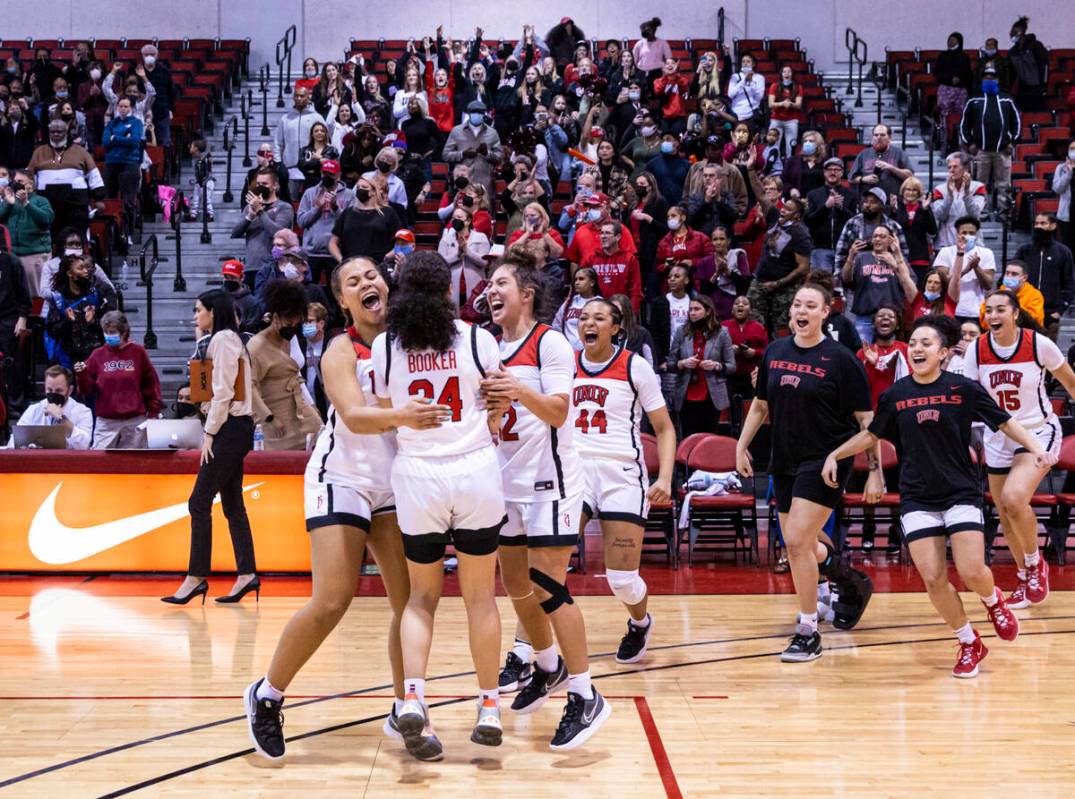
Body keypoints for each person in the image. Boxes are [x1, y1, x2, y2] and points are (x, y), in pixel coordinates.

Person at [244, 257, 445, 761]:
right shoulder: (341, 349)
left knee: (412, 603)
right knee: (333, 599)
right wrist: (405, 415)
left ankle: (407, 708)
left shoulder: (413, 342)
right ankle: (267, 694)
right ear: (342, 301)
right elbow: (354, 416)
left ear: (388, 283)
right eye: (353, 282)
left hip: (397, 483)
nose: (366, 284)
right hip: (343, 478)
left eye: (371, 276)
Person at [823, 315, 1032, 678]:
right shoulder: (895, 395)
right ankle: (969, 641)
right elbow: (871, 435)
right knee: (934, 579)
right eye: (914, 343)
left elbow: (1003, 420)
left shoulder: (962, 389)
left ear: (944, 353)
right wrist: (835, 454)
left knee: (971, 571)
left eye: (926, 343)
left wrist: (1035, 448)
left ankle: (993, 600)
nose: (918, 349)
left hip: (961, 492)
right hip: (918, 497)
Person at [370, 252, 506, 762]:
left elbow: (383, 412)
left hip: (418, 475)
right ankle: (489, 707)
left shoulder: (385, 347)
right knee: (480, 599)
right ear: (449, 291)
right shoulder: (477, 338)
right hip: (473, 471)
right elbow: (499, 399)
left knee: (420, 598)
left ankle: (414, 697)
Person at [477, 258, 611, 749]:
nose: (492, 292)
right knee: (515, 583)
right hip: (504, 480)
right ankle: (548, 664)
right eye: (490, 285)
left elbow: (558, 412)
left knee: (547, 583)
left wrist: (516, 391)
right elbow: (491, 414)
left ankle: (584, 692)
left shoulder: (549, 342)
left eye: (501, 283)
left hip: (550, 482)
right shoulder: (487, 347)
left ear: (527, 292)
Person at [736, 282, 879, 661]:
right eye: (797, 304)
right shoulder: (775, 351)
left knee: (797, 542)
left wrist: (875, 471)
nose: (802, 310)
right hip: (784, 458)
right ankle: (850, 582)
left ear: (825, 313)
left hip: (827, 458)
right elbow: (760, 405)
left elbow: (869, 422)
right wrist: (741, 444)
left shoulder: (842, 359)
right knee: (803, 543)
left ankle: (807, 630)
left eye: (811, 305)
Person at [573, 296, 675, 663]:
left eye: (599, 317)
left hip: (622, 474)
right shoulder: (564, 365)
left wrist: (664, 476)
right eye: (584, 317)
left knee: (621, 580)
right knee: (547, 563)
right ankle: (529, 651)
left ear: (616, 327)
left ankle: (640, 622)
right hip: (577, 472)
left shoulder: (635, 366)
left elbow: (664, 428)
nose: (590, 323)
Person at [965, 289, 1075, 611]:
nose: (993, 316)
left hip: (1037, 429)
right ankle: (1025, 579)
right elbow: (969, 396)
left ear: (1015, 313)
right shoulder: (977, 349)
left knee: (1015, 499)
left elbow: (1070, 383)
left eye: (1001, 309)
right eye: (989, 311)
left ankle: (1035, 564)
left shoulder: (1039, 344)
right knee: (1005, 512)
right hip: (998, 434)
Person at [164, 290, 257, 605]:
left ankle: (196, 577)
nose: (195, 316)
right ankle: (247, 575)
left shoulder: (223, 340)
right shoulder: (224, 339)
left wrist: (209, 433)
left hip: (229, 428)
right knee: (232, 505)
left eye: (198, 310)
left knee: (198, 502)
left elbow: (223, 393)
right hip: (236, 427)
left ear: (213, 312)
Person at [248, 281, 324, 451]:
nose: (293, 328)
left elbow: (296, 377)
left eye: (297, 325)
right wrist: (269, 419)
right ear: (275, 318)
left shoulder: (288, 339)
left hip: (303, 414)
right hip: (275, 421)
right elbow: (249, 387)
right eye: (289, 324)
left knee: (323, 445)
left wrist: (311, 405)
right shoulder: (256, 347)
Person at [74, 311, 161, 449]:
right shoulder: (98, 354)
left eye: (112, 332)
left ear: (124, 331)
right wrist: (81, 375)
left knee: (134, 465)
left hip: (134, 420)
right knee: (100, 464)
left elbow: (150, 384)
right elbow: (87, 390)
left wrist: (153, 411)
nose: (109, 335)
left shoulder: (138, 352)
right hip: (106, 422)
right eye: (106, 332)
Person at [667, 294, 736, 438]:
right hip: (686, 394)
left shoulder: (722, 333)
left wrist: (716, 365)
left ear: (708, 311)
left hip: (711, 396)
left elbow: (731, 366)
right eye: (690, 309)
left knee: (709, 438)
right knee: (688, 437)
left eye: (697, 309)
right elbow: (670, 363)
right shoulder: (682, 332)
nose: (692, 312)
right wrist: (682, 363)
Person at [27, 119, 105, 238]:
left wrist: (99, 198)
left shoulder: (81, 151)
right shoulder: (39, 152)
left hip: (75, 204)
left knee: (75, 235)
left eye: (59, 131)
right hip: (47, 203)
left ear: (66, 132)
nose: (56, 134)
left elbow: (94, 175)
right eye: (52, 132)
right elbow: (29, 176)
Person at [747, 196, 813, 336]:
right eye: (783, 207)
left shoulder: (801, 235)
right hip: (760, 282)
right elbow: (759, 194)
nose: (782, 211)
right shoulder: (774, 219)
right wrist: (751, 172)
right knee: (754, 325)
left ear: (796, 215)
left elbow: (803, 268)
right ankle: (758, 354)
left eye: (788, 209)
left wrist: (778, 283)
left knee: (781, 329)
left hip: (784, 288)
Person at [841, 224, 917, 344]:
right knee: (863, 354)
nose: (877, 239)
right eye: (875, 236)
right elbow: (846, 280)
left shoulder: (898, 259)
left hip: (890, 317)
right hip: (865, 317)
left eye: (882, 236)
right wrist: (850, 258)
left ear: (890, 240)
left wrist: (895, 265)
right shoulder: (861, 257)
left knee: (888, 354)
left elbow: (909, 284)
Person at [960, 63, 1020, 203]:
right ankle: (981, 212)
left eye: (992, 77)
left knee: (1004, 184)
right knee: (979, 184)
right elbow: (964, 125)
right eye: (986, 78)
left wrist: (1013, 142)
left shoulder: (1007, 100)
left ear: (998, 80)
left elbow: (1017, 122)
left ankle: (1003, 213)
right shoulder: (973, 100)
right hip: (981, 151)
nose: (989, 80)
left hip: (1003, 151)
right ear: (981, 80)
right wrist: (969, 143)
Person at [44, 254, 118, 370]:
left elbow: (113, 325)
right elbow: (52, 331)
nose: (86, 271)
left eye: (86, 267)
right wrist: (67, 321)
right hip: (67, 357)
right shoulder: (59, 298)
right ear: (70, 274)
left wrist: (94, 321)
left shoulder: (101, 291)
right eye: (81, 268)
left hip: (96, 355)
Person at [1014, 212, 1074, 340]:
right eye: (1036, 223)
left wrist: (1060, 310)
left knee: (1048, 356)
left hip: (1050, 313)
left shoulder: (1063, 252)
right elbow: (1011, 276)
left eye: (1043, 223)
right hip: (1025, 311)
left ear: (1053, 226)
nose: (1038, 227)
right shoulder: (1024, 251)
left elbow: (1069, 283)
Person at [231, 170, 295, 289]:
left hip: (274, 267)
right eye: (258, 184)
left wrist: (260, 211)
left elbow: (277, 232)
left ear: (275, 185)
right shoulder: (250, 207)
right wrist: (249, 216)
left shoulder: (284, 207)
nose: (260, 187)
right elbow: (235, 233)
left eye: (265, 184)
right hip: (251, 266)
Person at [298, 159, 354, 286]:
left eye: (331, 174)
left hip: (335, 253)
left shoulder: (349, 195)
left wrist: (335, 207)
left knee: (335, 293)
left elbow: (350, 225)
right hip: (312, 252)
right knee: (310, 292)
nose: (327, 177)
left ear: (338, 176)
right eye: (324, 174)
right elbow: (301, 222)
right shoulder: (310, 193)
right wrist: (318, 208)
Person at [0, 168, 53, 298]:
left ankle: (37, 319)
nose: (16, 184)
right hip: (12, 256)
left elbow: (45, 220)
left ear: (31, 184)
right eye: (14, 181)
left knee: (35, 295)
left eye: (20, 181)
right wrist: (9, 203)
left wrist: (26, 203)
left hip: (34, 255)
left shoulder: (41, 201)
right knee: (14, 295)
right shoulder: (9, 201)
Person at [9, 365, 92, 449]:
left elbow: (84, 445)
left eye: (58, 390)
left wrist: (62, 419)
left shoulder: (83, 412)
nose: (53, 394)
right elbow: (14, 442)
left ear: (70, 390)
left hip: (67, 461)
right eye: (49, 390)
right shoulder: (34, 410)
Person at [442, 100, 503, 212]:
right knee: (461, 214)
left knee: (483, 216)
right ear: (469, 113)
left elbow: (500, 158)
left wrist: (487, 153)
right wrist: (462, 154)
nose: (477, 115)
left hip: (484, 184)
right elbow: (446, 155)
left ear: (484, 114)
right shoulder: (457, 131)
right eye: (474, 112)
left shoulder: (492, 133)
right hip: (462, 183)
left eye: (479, 112)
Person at [328, 177, 403, 266]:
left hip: (378, 266)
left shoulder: (388, 213)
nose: (360, 189)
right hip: (351, 265)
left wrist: (385, 258)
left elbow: (402, 242)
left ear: (373, 191)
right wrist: (342, 261)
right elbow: (332, 242)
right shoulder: (347, 212)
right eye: (358, 187)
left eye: (364, 187)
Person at [935, 215, 996, 324]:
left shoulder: (987, 253)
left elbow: (988, 285)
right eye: (964, 233)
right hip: (950, 309)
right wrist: (966, 270)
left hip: (976, 310)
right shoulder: (945, 252)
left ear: (976, 235)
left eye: (971, 233)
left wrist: (976, 267)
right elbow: (943, 283)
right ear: (957, 234)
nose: (967, 236)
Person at [833, 187, 910, 271]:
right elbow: (840, 252)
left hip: (886, 274)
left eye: (872, 202)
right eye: (865, 201)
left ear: (882, 205)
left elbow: (903, 253)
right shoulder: (852, 223)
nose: (867, 205)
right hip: (857, 274)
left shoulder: (893, 226)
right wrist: (838, 274)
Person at [273, 87, 328, 200]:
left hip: (312, 170)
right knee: (291, 203)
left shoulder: (316, 117)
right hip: (290, 169)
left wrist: (321, 158)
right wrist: (278, 163)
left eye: (302, 96)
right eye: (296, 96)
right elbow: (278, 143)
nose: (299, 98)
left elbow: (326, 141)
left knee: (312, 202)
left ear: (308, 97)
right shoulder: (285, 119)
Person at [804, 158, 856, 273]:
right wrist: (826, 206)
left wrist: (841, 208)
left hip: (845, 250)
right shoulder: (813, 194)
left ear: (842, 172)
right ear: (824, 172)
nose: (832, 172)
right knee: (822, 285)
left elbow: (855, 221)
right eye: (829, 169)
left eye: (836, 169)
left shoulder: (851, 195)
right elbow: (808, 221)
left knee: (843, 286)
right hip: (820, 249)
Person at [102, 97, 145, 235]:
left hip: (129, 164)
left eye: (126, 106)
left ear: (131, 108)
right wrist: (124, 138)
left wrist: (116, 138)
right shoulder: (111, 124)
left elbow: (134, 141)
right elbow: (105, 142)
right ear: (117, 107)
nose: (123, 109)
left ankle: (129, 234)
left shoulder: (136, 123)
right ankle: (112, 233)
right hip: (111, 164)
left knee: (128, 201)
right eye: (121, 106)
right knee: (110, 199)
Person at [693, 224, 751, 319]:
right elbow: (703, 291)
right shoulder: (705, 262)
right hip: (712, 311)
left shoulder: (738, 256)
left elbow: (745, 284)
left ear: (728, 241)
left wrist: (729, 273)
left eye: (722, 239)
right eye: (715, 239)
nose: (718, 242)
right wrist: (716, 274)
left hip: (734, 309)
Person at [856, 306, 909, 408]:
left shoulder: (907, 349)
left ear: (898, 325)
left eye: (891, 316)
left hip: (901, 411)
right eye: (880, 316)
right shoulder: (863, 353)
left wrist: (892, 369)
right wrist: (871, 365)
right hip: (873, 413)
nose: (885, 318)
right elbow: (858, 388)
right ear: (873, 324)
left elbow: (912, 382)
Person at [439, 206, 491, 308]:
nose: (455, 221)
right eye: (453, 218)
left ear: (468, 221)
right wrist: (457, 254)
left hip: (475, 286)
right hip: (452, 287)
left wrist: (467, 251)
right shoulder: (446, 239)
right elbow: (440, 262)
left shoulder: (480, 237)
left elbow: (485, 262)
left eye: (459, 217)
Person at [931, 152, 986, 249]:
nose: (951, 170)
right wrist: (949, 195)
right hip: (946, 243)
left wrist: (967, 193)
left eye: (955, 167)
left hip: (971, 243)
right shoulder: (939, 189)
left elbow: (974, 214)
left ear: (966, 169)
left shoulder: (978, 187)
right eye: (949, 167)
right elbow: (940, 216)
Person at [890, 177, 938, 287]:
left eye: (914, 190)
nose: (910, 193)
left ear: (919, 192)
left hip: (920, 257)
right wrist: (892, 212)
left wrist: (926, 210)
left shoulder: (924, 207)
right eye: (908, 189)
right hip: (899, 256)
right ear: (903, 191)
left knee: (918, 292)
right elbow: (890, 230)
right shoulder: (897, 207)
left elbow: (933, 231)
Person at [848, 124, 913, 201]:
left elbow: (910, 176)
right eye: (876, 135)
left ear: (889, 138)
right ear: (872, 137)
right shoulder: (864, 154)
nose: (878, 138)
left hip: (892, 202)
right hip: (869, 203)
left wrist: (891, 167)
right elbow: (850, 179)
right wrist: (863, 179)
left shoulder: (899, 153)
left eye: (882, 135)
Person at [722, 294, 769, 402]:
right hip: (728, 377)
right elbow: (714, 350)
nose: (741, 305)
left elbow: (767, 352)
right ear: (732, 309)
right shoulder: (723, 326)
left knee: (749, 408)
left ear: (750, 310)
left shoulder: (759, 327)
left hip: (751, 377)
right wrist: (729, 350)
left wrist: (754, 352)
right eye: (737, 303)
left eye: (745, 303)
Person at [977, 260, 1044, 328]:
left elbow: (1033, 322)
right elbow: (984, 319)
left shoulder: (1034, 295)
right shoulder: (997, 294)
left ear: (1024, 278)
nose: (1009, 276)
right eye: (1007, 273)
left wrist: (1011, 298)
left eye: (1014, 274)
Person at [1006, 15, 1050, 112]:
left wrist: (1043, 87)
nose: (1010, 34)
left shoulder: (1035, 46)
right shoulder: (1012, 52)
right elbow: (1011, 74)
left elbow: (1044, 66)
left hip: (1037, 90)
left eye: (1013, 32)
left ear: (1020, 32)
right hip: (1023, 91)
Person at [934, 33, 974, 137]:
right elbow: (937, 73)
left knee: (960, 115)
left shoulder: (964, 57)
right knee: (944, 113)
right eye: (950, 40)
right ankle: (944, 137)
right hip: (945, 88)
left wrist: (959, 79)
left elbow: (968, 74)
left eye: (954, 40)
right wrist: (950, 78)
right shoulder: (942, 56)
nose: (951, 42)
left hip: (960, 90)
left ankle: (959, 137)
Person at [552, 267, 598, 351]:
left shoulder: (600, 303)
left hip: (591, 353)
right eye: (575, 280)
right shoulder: (569, 302)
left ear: (592, 282)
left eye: (581, 279)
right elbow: (556, 326)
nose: (577, 283)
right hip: (567, 352)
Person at [139, 45, 175, 148]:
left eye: (152, 54)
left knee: (164, 142)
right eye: (146, 54)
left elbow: (170, 92)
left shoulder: (164, 71)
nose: (149, 56)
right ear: (142, 56)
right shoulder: (136, 70)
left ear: (157, 56)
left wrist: (170, 109)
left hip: (162, 112)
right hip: (142, 112)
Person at [768, 65, 802, 158]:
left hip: (791, 120)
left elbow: (798, 105)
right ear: (781, 74)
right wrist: (782, 103)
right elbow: (770, 104)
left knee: (791, 146)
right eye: (784, 72)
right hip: (776, 119)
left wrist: (790, 104)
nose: (787, 74)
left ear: (792, 74)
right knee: (773, 145)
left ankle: (789, 166)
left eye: (789, 72)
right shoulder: (774, 86)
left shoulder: (797, 87)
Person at [782, 131, 827, 200]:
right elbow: (783, 180)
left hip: (819, 201)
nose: (807, 143)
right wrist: (791, 189)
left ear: (818, 144)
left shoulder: (825, 162)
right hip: (797, 201)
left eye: (811, 141)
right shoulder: (793, 160)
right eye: (805, 141)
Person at [726, 53, 766, 128]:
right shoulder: (735, 76)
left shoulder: (759, 78)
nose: (745, 63)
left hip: (751, 114)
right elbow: (730, 95)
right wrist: (744, 80)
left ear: (753, 64)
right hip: (736, 113)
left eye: (748, 61)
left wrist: (751, 82)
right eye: (743, 61)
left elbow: (759, 97)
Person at [221, 259, 260, 333]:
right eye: (226, 277)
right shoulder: (219, 297)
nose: (229, 280)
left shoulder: (252, 302)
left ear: (242, 277)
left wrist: (239, 324)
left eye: (233, 277)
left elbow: (252, 330)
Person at [632, 17, 672, 83]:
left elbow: (669, 60)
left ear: (654, 30)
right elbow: (634, 60)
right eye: (646, 32)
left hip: (658, 73)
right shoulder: (639, 44)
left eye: (649, 31)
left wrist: (665, 72)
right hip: (642, 73)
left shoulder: (663, 43)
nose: (648, 34)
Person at [187, 137, 214, 223]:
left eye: (191, 146)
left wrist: (208, 157)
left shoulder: (205, 157)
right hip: (199, 182)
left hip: (206, 182)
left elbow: (209, 162)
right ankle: (193, 215)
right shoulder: (197, 159)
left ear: (196, 148)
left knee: (206, 199)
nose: (189, 147)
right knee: (195, 198)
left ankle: (210, 215)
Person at [1053, 142, 1074, 250]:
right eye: (1072, 148)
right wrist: (1069, 173)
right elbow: (1057, 189)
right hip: (1066, 216)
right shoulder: (1061, 168)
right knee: (1066, 249)